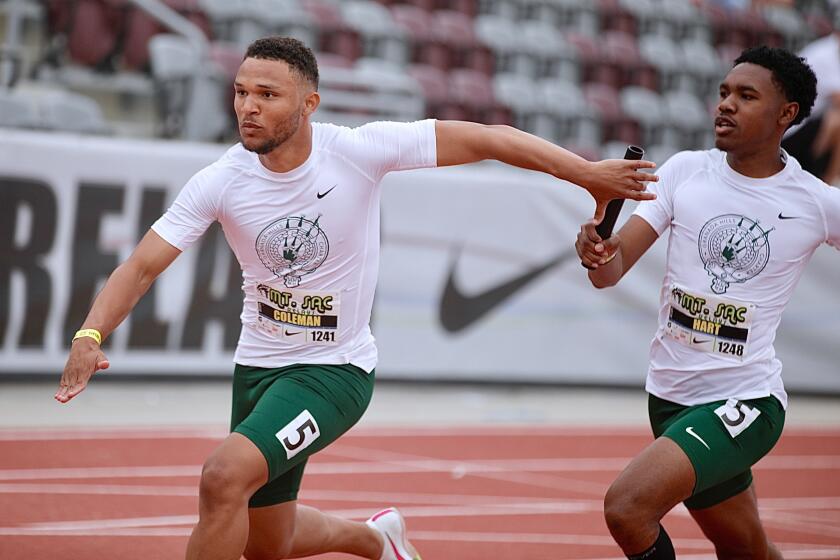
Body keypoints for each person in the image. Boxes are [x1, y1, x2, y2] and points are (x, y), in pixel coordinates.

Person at [56, 36, 657, 560]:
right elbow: (139, 267)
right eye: (241, 92)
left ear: (308, 104)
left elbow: (489, 138)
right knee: (265, 544)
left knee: (222, 477)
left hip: (333, 372)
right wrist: (89, 336)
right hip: (257, 368)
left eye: (267, 94)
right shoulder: (221, 179)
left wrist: (585, 173)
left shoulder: (358, 150)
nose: (247, 107)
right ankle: (377, 540)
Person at [575, 45, 840, 559]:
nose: (726, 105)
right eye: (723, 93)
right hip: (669, 399)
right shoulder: (684, 172)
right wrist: (592, 249)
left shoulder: (815, 201)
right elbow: (609, 272)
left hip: (746, 401)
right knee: (746, 550)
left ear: (787, 114)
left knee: (627, 507)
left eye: (746, 96)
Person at [782, 11, 840, 185]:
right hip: (788, 131)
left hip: (809, 127)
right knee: (838, 119)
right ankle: (831, 184)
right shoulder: (824, 54)